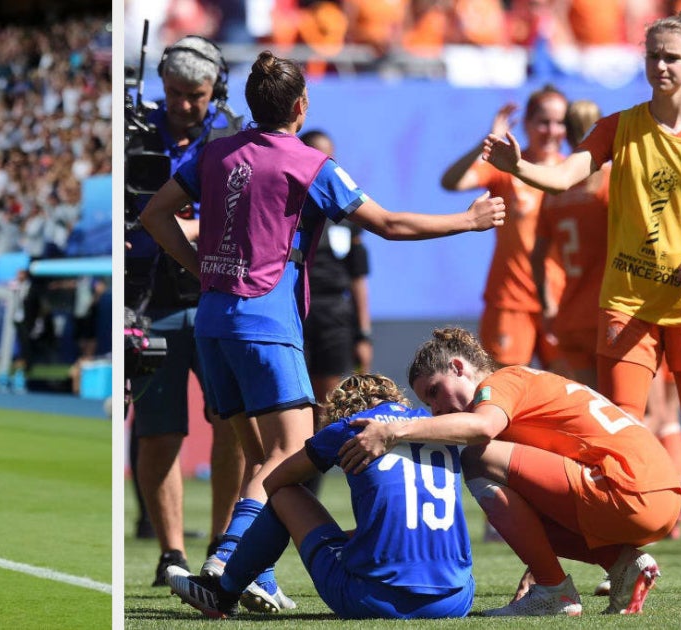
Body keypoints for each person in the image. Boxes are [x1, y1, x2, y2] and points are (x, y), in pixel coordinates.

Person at [140, 50, 504, 613]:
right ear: (301, 105)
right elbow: (387, 224)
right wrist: (467, 221)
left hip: (213, 322)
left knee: (260, 455)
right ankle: (226, 563)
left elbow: (155, 216)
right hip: (265, 322)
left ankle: (252, 572)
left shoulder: (214, 155)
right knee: (287, 455)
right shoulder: (307, 163)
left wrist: (203, 271)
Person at [481, 11, 681, 595]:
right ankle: (624, 559)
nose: (659, 66)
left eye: (671, 57)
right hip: (627, 305)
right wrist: (521, 168)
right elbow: (564, 176)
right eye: (652, 56)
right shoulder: (621, 126)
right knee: (618, 437)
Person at [338, 328, 681, 616]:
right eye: (429, 404)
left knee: (475, 458)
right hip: (658, 497)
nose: (437, 409)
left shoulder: (500, 383)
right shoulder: (522, 383)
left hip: (624, 488)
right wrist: (536, 567)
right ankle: (624, 564)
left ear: (459, 367)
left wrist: (394, 430)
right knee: (516, 496)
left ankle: (555, 592)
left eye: (434, 392)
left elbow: (483, 428)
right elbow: (538, 496)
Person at [168, 374, 474, 619]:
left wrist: (295, 536)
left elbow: (276, 481)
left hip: (374, 601)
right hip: (457, 600)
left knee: (285, 494)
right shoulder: (434, 426)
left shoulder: (350, 426)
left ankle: (224, 591)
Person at [125, 34, 247, 588]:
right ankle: (171, 551)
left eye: (194, 94)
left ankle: (222, 544)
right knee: (158, 433)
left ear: (214, 90)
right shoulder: (133, 130)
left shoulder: (233, 135)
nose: (182, 104)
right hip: (151, 302)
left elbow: (244, 217)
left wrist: (170, 224)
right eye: (174, 92)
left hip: (218, 297)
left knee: (230, 425)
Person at [441, 85, 568, 369]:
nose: (551, 130)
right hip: (510, 299)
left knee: (565, 392)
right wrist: (486, 143)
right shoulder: (507, 166)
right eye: (543, 121)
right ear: (528, 124)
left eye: (559, 122)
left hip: (561, 301)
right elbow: (451, 181)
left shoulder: (572, 172)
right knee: (504, 390)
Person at [529, 98, 608, 389]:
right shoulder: (612, 182)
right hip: (612, 312)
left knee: (598, 409)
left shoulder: (553, 192)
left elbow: (536, 257)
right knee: (652, 414)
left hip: (571, 315)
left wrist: (548, 306)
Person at [299, 130, 372, 426]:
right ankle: (293, 470)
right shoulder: (285, 208)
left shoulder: (346, 212)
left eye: (329, 157)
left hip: (333, 317)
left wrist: (363, 334)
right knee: (296, 400)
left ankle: (314, 471)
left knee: (327, 403)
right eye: (316, 156)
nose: (324, 164)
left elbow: (358, 278)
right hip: (295, 311)